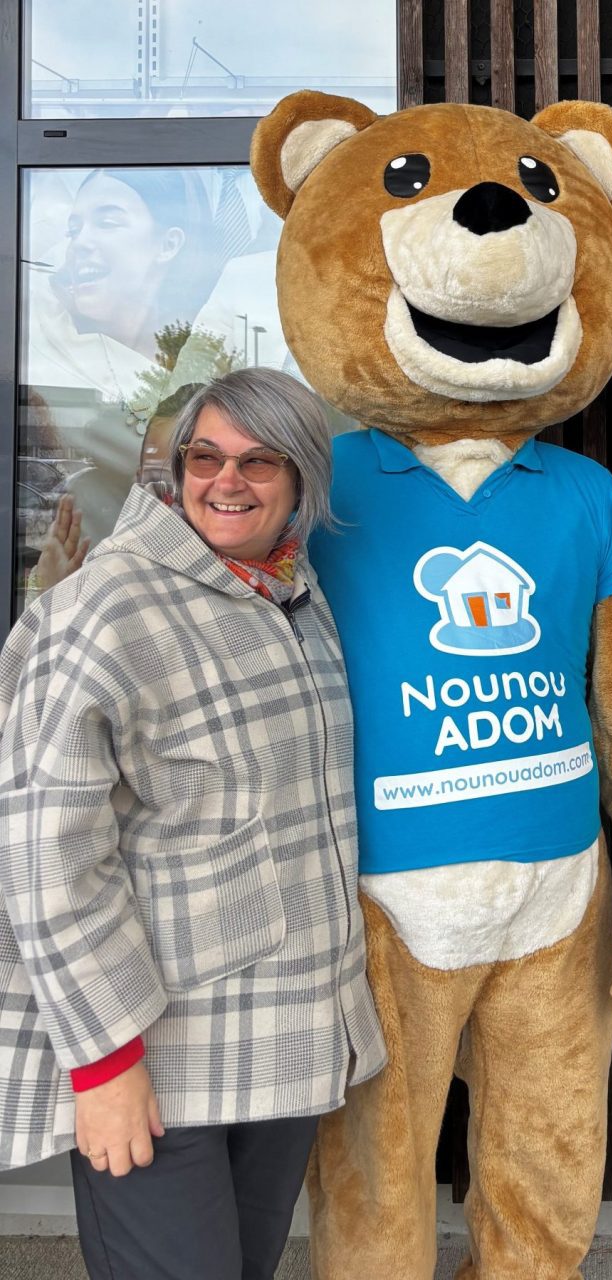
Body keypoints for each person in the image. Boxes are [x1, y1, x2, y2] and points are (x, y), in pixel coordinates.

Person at [0, 368, 385, 1279]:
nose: (227, 480)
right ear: (174, 471)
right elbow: (45, 856)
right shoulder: (107, 609)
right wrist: (101, 1063)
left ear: (300, 483)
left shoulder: (292, 595)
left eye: (260, 461)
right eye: (205, 457)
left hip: (285, 1041)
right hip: (156, 1061)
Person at [22, 168, 218, 550]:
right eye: (73, 230)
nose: (80, 242)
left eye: (108, 222)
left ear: (168, 245)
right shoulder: (50, 339)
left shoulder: (213, 354)